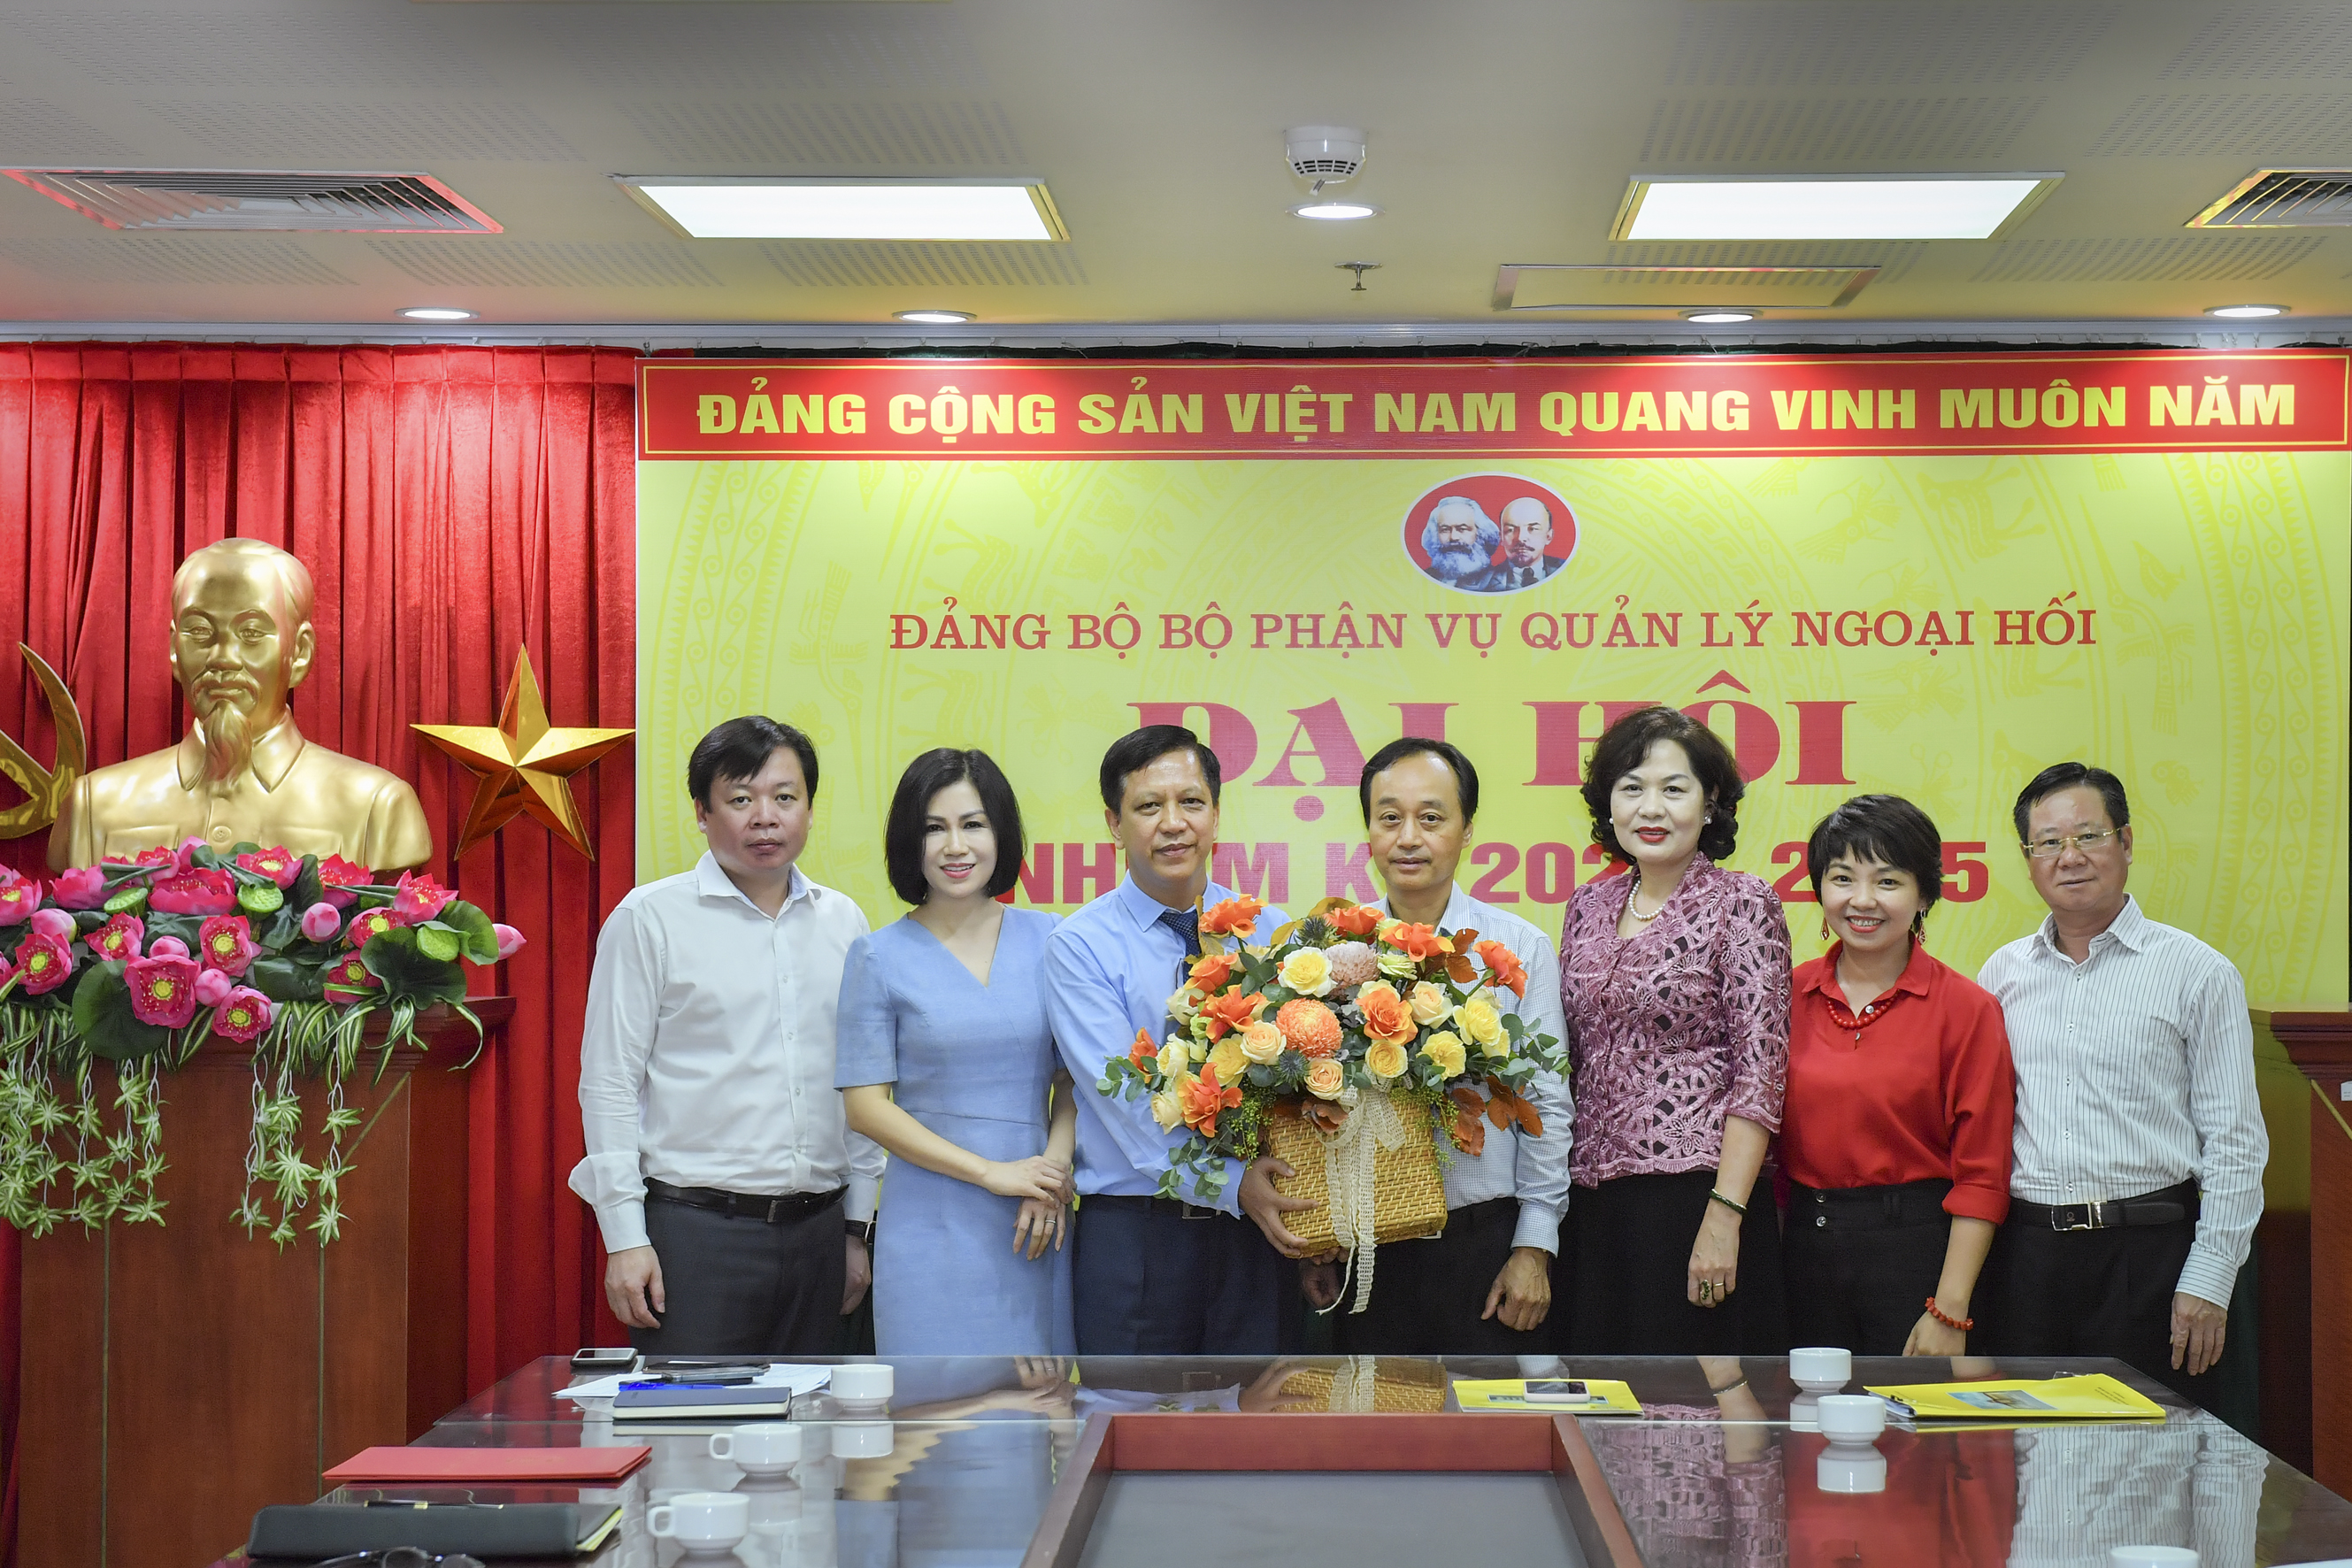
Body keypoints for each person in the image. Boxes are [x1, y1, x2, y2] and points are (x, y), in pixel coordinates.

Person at [571, 716, 880, 1354]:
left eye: (785, 797)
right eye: (741, 798)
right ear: (701, 812)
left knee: (817, 1416)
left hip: (821, 1234)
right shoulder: (649, 919)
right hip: (697, 1235)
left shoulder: (844, 922)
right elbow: (608, 1085)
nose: (765, 817)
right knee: (695, 1417)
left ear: (810, 809)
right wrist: (625, 1239)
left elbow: (860, 1083)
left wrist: (857, 1229)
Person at [1975, 763, 2267, 1403]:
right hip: (2026, 1261)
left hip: (2151, 1256)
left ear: (2127, 842)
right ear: (2028, 859)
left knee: (2150, 1450)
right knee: (2028, 1450)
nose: (2070, 857)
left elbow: (2236, 1142)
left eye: (2089, 836)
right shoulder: (2001, 974)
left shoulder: (2198, 972)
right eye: (2048, 842)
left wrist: (2210, 1277)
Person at [1043, 725, 1311, 1354]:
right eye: (1148, 806)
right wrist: (1234, 1185)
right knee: (1134, 1417)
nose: (1173, 824)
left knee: (1264, 1410)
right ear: (1114, 824)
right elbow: (1128, 1107)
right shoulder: (1080, 946)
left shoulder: (1271, 934)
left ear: (1216, 814)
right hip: (1138, 1242)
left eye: (1191, 802)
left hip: (1257, 1237)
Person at [1303, 738, 1572, 1352]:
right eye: (1389, 817)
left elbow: (1547, 1103)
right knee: (1370, 1413)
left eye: (1431, 817)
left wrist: (1534, 1246)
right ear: (1368, 830)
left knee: (1489, 1416)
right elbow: (1305, 1106)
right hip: (1366, 1247)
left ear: (1466, 829)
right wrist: (1318, 1237)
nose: (1408, 838)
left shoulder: (1518, 949)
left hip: (1485, 1243)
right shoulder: (1327, 954)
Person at [1556, 704, 1789, 1353]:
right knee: (1599, 1393)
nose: (1650, 809)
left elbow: (1761, 1073)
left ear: (1710, 803)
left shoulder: (1743, 902)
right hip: (1592, 1201)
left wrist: (1725, 1216)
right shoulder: (1587, 906)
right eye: (1631, 788)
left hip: (1696, 1198)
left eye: (1673, 789)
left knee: (1694, 1402)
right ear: (1608, 805)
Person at [836, 748, 1076, 1354]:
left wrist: (1051, 1173)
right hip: (930, 1218)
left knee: (1036, 1401)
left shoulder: (1052, 938)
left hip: (1035, 1213)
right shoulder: (877, 956)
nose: (955, 846)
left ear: (1001, 833)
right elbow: (865, 1108)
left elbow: (1073, 1081)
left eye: (973, 824)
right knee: (934, 1399)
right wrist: (991, 1173)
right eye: (934, 828)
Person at [1779, 795, 2016, 1356]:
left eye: (1887, 881)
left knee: (1910, 1413)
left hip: (1918, 1256)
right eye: (1842, 878)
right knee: (1800, 1410)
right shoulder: (1785, 994)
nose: (1862, 900)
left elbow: (1983, 1175)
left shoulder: (1967, 1008)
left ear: (1924, 894)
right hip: (1801, 1255)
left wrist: (1949, 1309)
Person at [51, 537, 430, 870]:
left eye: (251, 633)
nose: (223, 659)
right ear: (174, 649)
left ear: (299, 653)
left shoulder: (377, 807)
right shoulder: (93, 806)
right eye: (199, 631)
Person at [1460, 496, 1565, 593]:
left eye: (1533, 529)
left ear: (1548, 536)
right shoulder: (1477, 583)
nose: (1520, 538)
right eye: (1510, 530)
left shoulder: (1569, 571)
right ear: (1501, 537)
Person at [1418, 496, 1500, 587]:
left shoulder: (1498, 581)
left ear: (1480, 534)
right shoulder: (1422, 578)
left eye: (1462, 529)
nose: (1453, 537)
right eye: (1445, 530)